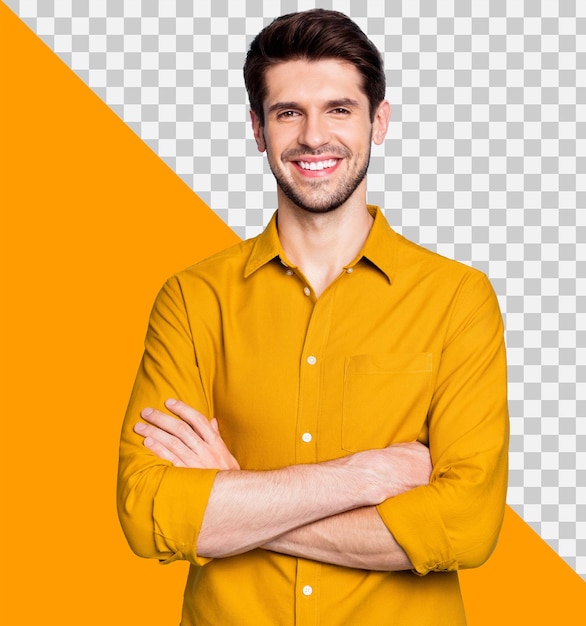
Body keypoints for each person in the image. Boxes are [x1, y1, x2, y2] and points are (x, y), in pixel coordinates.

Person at [117, 9, 509, 625]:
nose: (312, 137)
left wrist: (237, 498)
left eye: (339, 109)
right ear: (257, 128)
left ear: (379, 120)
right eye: (288, 112)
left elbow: (464, 528)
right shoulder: (193, 300)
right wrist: (363, 476)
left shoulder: (456, 298)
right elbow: (149, 514)